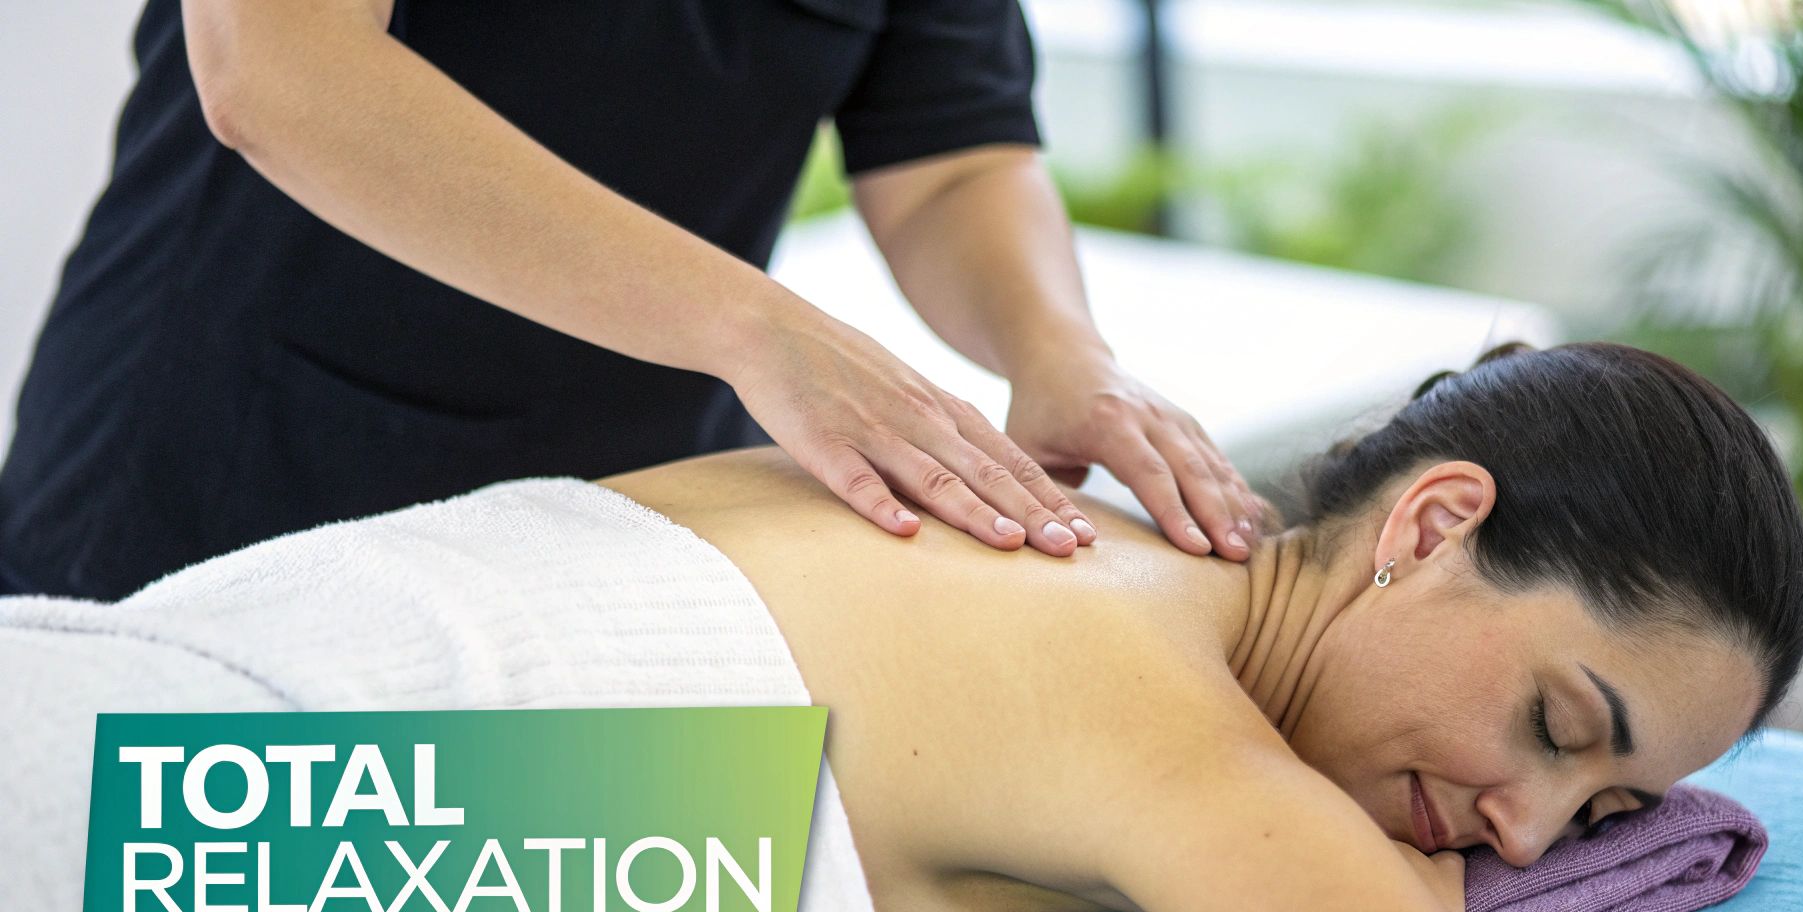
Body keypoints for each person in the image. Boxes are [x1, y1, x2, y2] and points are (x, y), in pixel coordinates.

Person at [4, 342, 1803, 912]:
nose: (1525, 824)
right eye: (1560, 725)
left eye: (1603, 815)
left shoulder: (1049, 515)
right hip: (219, 810)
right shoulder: (1169, 732)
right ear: (1431, 519)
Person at [0, 0, 1271, 601]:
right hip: (218, 482)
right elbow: (277, 71)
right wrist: (758, 329)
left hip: (616, 524)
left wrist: (1059, 354)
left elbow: (948, 157)